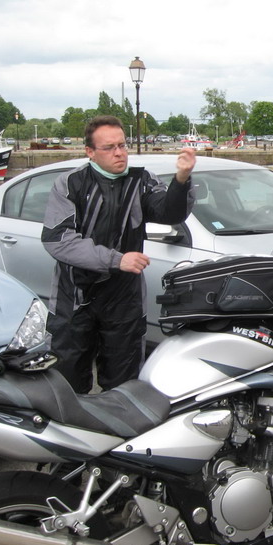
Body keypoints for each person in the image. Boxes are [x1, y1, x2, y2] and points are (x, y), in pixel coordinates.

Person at [42, 115, 196, 393]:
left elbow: (169, 213)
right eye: (109, 147)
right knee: (68, 382)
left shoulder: (141, 180)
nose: (119, 153)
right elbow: (58, 240)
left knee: (123, 384)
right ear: (90, 152)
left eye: (122, 145)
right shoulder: (70, 183)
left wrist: (181, 179)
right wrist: (117, 259)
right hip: (74, 297)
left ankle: (117, 419)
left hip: (124, 298)